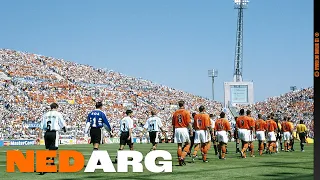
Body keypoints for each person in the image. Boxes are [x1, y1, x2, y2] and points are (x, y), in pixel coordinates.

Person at [38, 103, 67, 175]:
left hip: (47, 133)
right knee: (53, 150)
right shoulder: (58, 114)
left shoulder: (45, 114)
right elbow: (62, 123)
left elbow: (41, 127)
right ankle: (44, 166)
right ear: (56, 107)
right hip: (54, 133)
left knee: (50, 150)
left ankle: (52, 166)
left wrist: (39, 136)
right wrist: (64, 129)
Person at [172, 100, 193, 166]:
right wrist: (191, 130)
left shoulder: (175, 113)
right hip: (183, 129)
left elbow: (173, 124)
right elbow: (189, 123)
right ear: (183, 105)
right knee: (188, 144)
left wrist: (173, 132)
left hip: (177, 129)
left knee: (179, 146)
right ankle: (182, 157)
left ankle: (179, 160)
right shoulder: (186, 112)